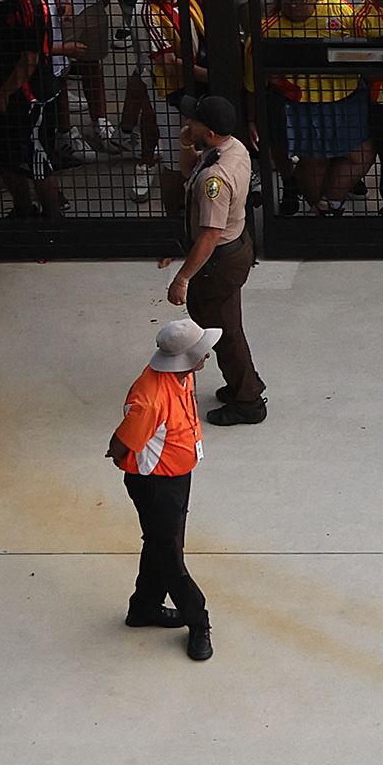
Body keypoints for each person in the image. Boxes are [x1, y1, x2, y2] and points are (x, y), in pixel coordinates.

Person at [109, 315, 219, 662]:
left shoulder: (180, 376)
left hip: (174, 477)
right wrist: (120, 456)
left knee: (162, 543)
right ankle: (198, 619)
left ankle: (144, 607)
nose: (207, 356)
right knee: (170, 554)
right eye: (202, 352)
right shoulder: (151, 400)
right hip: (157, 485)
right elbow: (122, 444)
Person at [159, 93, 265, 424]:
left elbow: (209, 234)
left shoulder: (214, 181)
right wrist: (185, 145)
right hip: (236, 249)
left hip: (219, 260)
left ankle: (248, 401)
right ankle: (243, 386)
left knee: (223, 330)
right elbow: (189, 171)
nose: (187, 122)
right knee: (226, 325)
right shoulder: (233, 149)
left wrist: (183, 278)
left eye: (194, 121)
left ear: (211, 132)